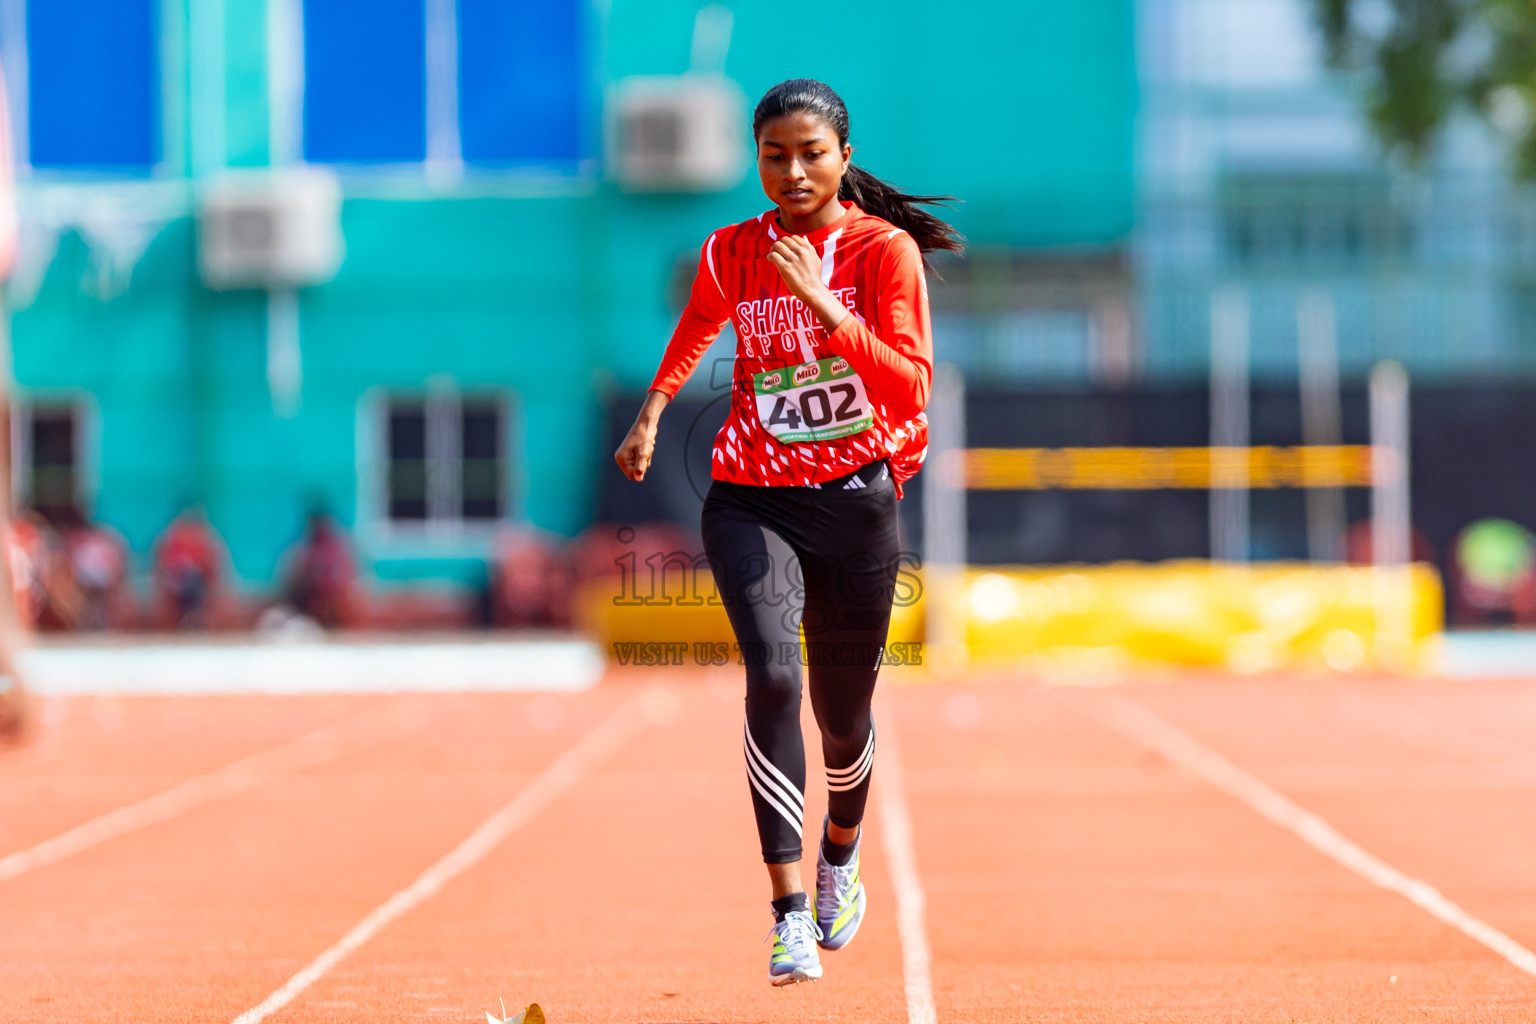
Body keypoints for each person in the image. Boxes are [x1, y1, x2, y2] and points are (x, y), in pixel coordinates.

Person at [614, 79, 961, 986]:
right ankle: (788, 913)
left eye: (812, 153)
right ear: (756, 160)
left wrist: (828, 309)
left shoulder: (884, 254)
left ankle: (839, 854)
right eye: (775, 155)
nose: (794, 170)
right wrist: (654, 411)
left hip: (855, 501)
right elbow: (698, 323)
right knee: (772, 675)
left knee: (842, 720)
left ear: (844, 158)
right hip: (749, 495)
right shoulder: (733, 249)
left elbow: (910, 388)